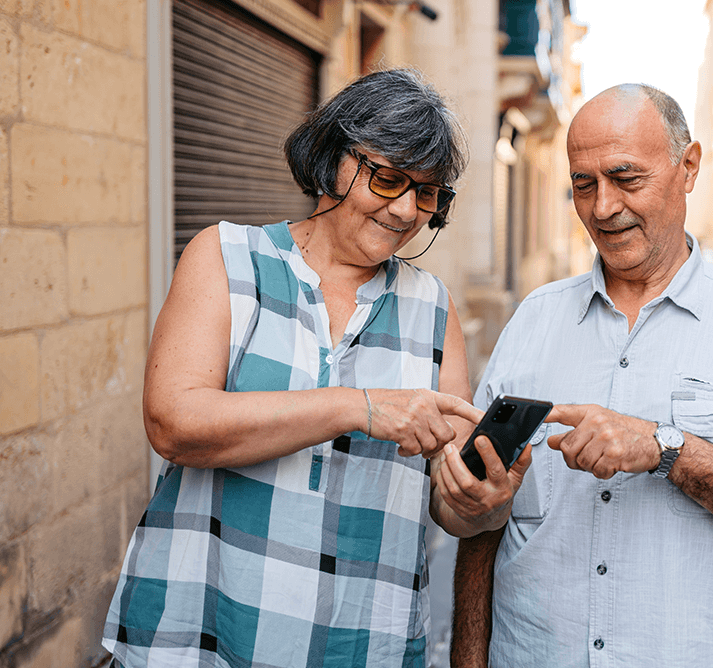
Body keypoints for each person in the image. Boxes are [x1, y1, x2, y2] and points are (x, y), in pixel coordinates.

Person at [102, 68, 524, 668]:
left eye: (427, 192)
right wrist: (359, 406)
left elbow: (448, 509)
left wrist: (481, 497)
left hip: (359, 643)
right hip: (201, 633)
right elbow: (173, 423)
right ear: (332, 160)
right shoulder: (227, 257)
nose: (406, 210)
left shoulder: (433, 307)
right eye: (387, 179)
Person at [447, 84, 713, 667]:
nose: (603, 207)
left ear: (688, 167)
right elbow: (483, 528)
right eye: (583, 184)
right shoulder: (534, 318)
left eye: (626, 178)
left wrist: (667, 448)